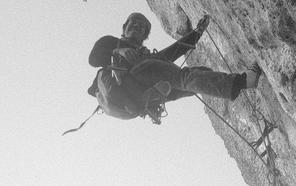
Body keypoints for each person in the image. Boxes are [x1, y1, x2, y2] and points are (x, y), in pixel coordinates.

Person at [87, 12, 262, 121]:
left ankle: (152, 96)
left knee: (201, 74)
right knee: (183, 78)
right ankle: (244, 81)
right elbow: (94, 60)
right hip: (132, 76)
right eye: (132, 23)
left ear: (144, 36)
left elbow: (172, 52)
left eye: (141, 26)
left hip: (139, 93)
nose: (136, 26)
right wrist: (121, 50)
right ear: (124, 28)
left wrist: (197, 33)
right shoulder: (112, 42)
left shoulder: (146, 55)